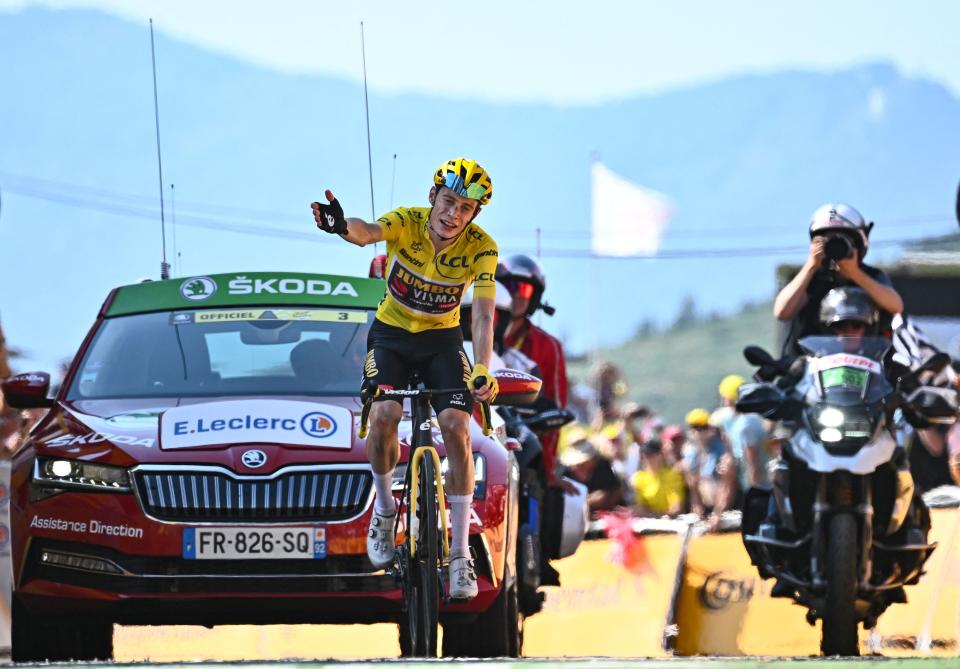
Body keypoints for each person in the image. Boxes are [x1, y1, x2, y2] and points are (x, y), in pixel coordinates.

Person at [311, 157, 498, 600]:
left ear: (474, 216)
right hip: (391, 336)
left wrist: (484, 365)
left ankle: (458, 555)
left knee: (456, 427)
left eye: (466, 209)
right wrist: (341, 227)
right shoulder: (407, 222)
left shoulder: (482, 248)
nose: (454, 214)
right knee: (385, 415)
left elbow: (485, 314)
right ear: (433, 197)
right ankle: (384, 507)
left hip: (441, 341)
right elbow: (367, 232)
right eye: (449, 201)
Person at [774, 203, 903, 356]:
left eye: (844, 240)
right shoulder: (810, 279)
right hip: (812, 368)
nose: (835, 246)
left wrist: (854, 273)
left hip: (868, 365)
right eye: (826, 240)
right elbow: (782, 312)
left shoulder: (872, 276)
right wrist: (811, 265)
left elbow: (896, 306)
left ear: (859, 243)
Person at [498, 254, 570, 486]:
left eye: (526, 289)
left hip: (523, 444)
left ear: (535, 297)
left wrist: (547, 471)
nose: (518, 294)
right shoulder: (471, 329)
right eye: (510, 286)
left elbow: (555, 413)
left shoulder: (550, 347)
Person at [717, 374, 770, 502]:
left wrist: (753, 498)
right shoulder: (740, 421)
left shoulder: (746, 424)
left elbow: (753, 464)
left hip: (761, 486)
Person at [682, 408, 736, 530]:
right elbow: (694, 487)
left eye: (703, 427)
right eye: (695, 427)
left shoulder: (721, 452)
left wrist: (718, 513)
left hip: (724, 512)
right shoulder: (691, 455)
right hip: (706, 511)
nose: (699, 432)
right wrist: (697, 510)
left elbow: (727, 486)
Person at [559, 436, 624, 518]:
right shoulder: (565, 473)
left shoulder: (602, 466)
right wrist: (587, 501)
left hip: (605, 516)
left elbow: (614, 491)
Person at [630, 440, 686, 517]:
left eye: (651, 455)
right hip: (648, 521)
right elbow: (641, 507)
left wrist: (659, 515)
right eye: (643, 456)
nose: (647, 459)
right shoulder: (639, 478)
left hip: (669, 521)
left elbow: (676, 507)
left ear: (660, 455)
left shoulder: (672, 475)